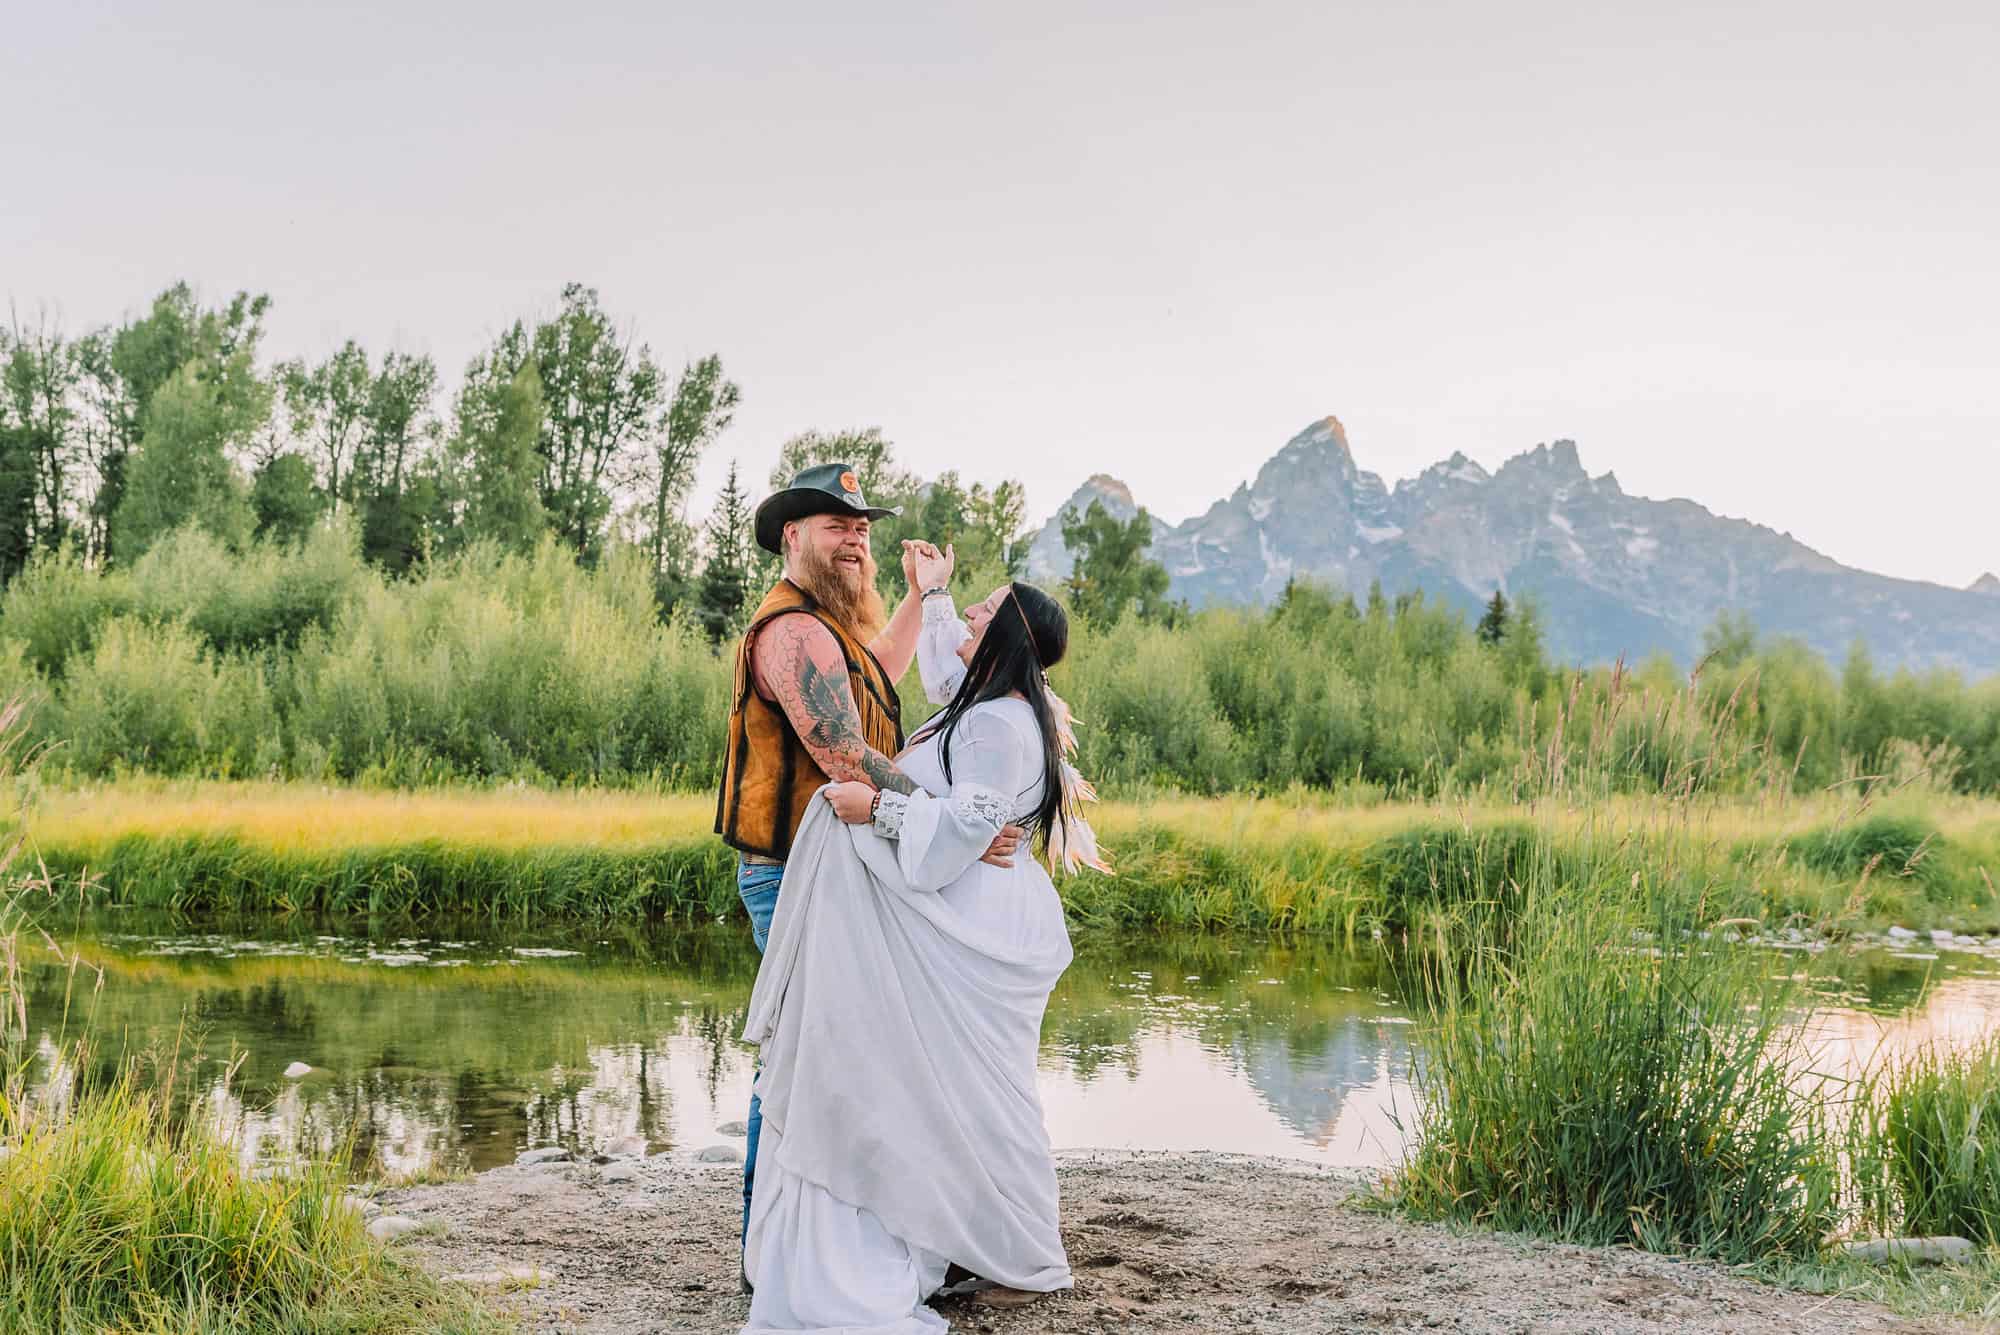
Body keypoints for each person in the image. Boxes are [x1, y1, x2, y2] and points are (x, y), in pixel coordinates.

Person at [738, 559, 1109, 1334]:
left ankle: (1025, 1253)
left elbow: (969, 828)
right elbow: (943, 676)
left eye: (986, 608)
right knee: (965, 1092)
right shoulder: (987, 708)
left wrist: (875, 804)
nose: (971, 612)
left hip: (965, 925)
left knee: (982, 1093)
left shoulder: (996, 726)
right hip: (958, 916)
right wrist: (930, 592)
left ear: (1010, 635)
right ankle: (986, 1242)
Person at [714, 463, 1025, 1270]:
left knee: (848, 1047)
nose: (855, 538)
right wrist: (946, 819)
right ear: (793, 535)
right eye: (835, 524)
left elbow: (880, 670)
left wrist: (925, 593)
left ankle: (841, 1239)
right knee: (796, 1051)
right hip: (789, 872)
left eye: (861, 527)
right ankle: (767, 1248)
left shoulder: (831, 628)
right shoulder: (790, 631)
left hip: (836, 867)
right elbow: (842, 750)